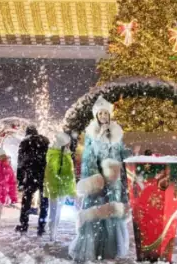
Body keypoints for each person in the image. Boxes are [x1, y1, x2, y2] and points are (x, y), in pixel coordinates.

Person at [69, 97, 131, 262]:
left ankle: (109, 249)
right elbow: (89, 157)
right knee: (97, 214)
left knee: (112, 214)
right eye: (101, 113)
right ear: (96, 115)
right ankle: (95, 247)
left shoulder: (117, 133)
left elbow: (121, 153)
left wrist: (131, 158)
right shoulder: (92, 134)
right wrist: (96, 178)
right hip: (99, 180)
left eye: (106, 113)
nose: (103, 116)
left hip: (114, 181)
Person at [16, 125, 49, 235]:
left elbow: (20, 163)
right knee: (44, 201)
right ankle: (41, 226)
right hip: (44, 175)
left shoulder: (25, 143)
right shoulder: (45, 142)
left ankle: (24, 225)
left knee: (26, 201)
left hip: (31, 175)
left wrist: (20, 180)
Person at [44, 131, 75, 242]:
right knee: (54, 212)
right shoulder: (56, 155)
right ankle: (52, 235)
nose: (69, 144)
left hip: (62, 188)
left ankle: (54, 233)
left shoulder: (64, 154)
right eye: (68, 142)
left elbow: (69, 174)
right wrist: (56, 187)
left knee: (57, 212)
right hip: (57, 189)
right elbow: (52, 174)